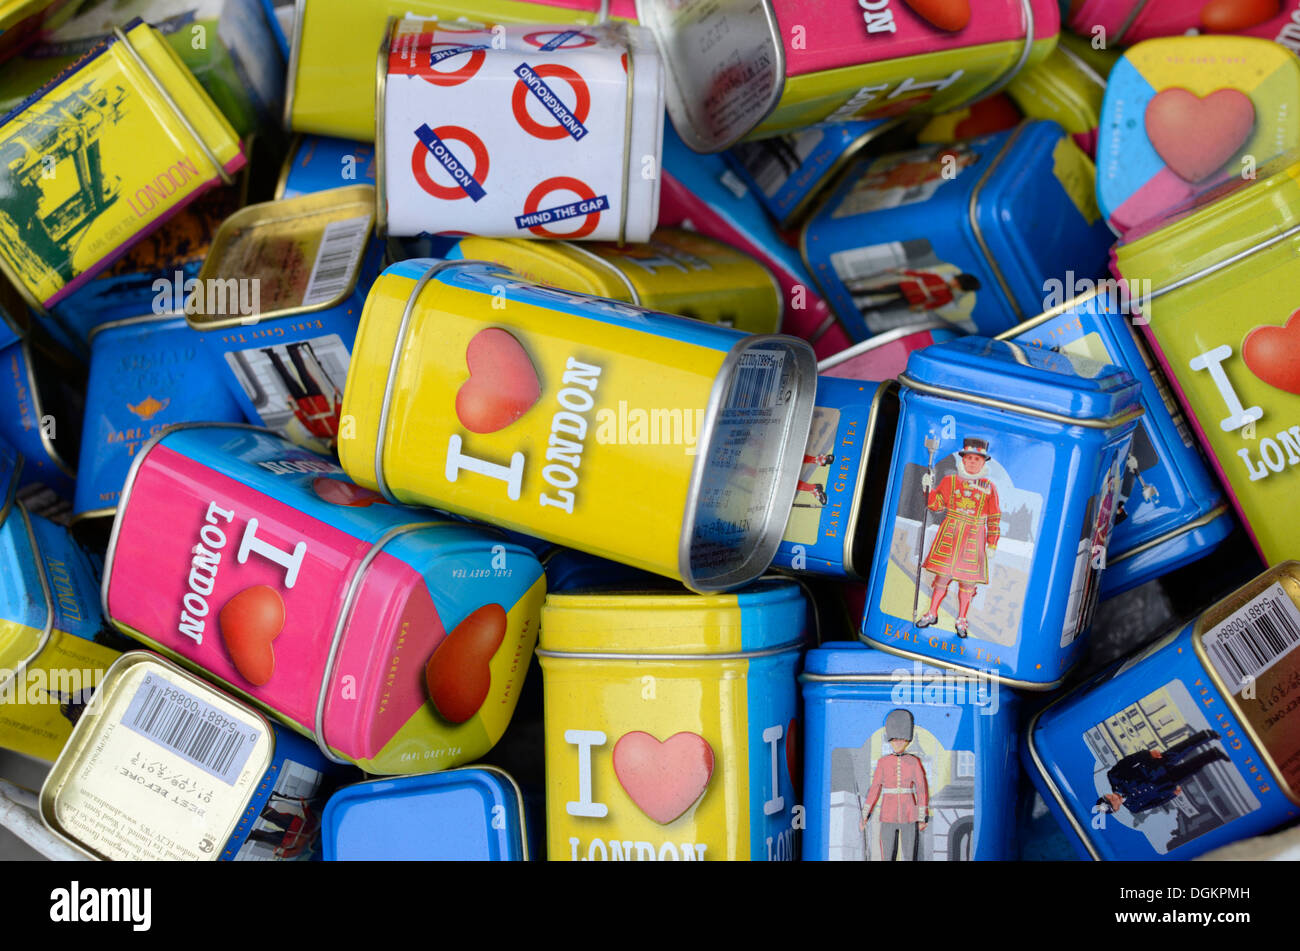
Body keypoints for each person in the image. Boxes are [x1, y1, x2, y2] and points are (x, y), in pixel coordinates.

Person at [915, 438, 1000, 637]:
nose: (972, 462)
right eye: (969, 458)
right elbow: (936, 505)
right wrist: (928, 489)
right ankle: (932, 612)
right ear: (963, 460)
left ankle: (961, 619)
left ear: (983, 462)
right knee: (942, 577)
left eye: (976, 459)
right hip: (951, 533)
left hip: (973, 537)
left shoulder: (989, 487)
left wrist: (992, 543)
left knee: (968, 583)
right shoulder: (950, 481)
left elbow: (995, 516)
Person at [1095, 730, 1229, 816]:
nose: (1113, 799)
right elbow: (1156, 802)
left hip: (1156, 765)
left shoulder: (1113, 777)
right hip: (1165, 783)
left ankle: (1207, 735)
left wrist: (1147, 754)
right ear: (1116, 809)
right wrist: (1171, 795)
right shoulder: (1134, 807)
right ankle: (1214, 754)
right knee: (1193, 768)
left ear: (1106, 795)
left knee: (1183, 749)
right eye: (1112, 804)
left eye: (1109, 798)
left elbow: (1129, 761)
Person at [860, 709, 929, 861]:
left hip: (909, 814)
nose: (898, 743)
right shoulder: (883, 762)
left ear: (907, 740)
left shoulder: (914, 762)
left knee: (910, 855)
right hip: (888, 814)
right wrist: (865, 814)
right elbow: (875, 788)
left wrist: (922, 817)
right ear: (890, 740)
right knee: (887, 854)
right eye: (894, 739)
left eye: (901, 739)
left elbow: (921, 789)